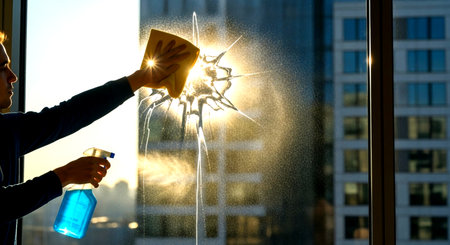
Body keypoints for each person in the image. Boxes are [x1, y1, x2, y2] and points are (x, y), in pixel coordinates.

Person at [0, 31, 189, 244]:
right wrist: (64, 174)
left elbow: (68, 115)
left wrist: (141, 78)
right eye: (2, 67)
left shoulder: (5, 130)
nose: (13, 76)